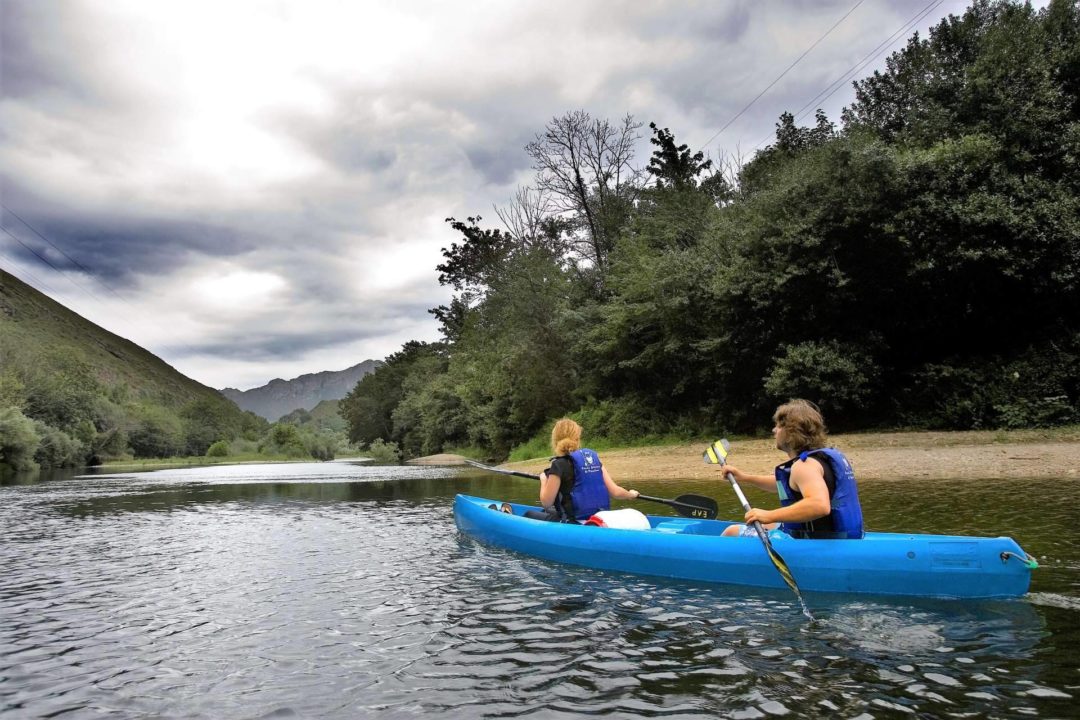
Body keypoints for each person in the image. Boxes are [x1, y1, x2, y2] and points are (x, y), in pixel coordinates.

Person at [720, 399, 864, 539]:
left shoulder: (804, 466)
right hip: (835, 536)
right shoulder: (816, 461)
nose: (774, 430)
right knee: (770, 524)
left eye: (779, 426)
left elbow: (820, 505)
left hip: (817, 543)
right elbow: (785, 484)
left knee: (731, 532)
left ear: (791, 432)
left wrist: (768, 514)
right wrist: (745, 477)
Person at [528, 418, 639, 523]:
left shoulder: (558, 465)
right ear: (577, 439)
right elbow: (616, 492)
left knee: (529, 514)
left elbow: (547, 502)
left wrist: (543, 480)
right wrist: (630, 494)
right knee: (546, 512)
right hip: (597, 518)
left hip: (572, 522)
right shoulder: (592, 461)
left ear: (555, 441)